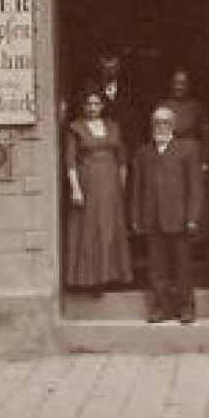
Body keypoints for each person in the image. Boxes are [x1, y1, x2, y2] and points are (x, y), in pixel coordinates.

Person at [130, 106, 204, 324]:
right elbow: (137, 187)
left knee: (182, 266)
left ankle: (186, 308)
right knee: (157, 268)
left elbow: (195, 187)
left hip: (179, 219)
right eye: (156, 122)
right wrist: (135, 216)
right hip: (152, 219)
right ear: (151, 125)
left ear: (172, 125)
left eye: (164, 122)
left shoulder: (187, 149)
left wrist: (192, 217)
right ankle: (160, 308)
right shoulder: (144, 152)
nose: (160, 126)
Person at [64, 89, 133, 294]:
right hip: (88, 185)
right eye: (89, 104)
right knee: (90, 230)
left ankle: (111, 275)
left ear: (102, 106)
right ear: (83, 106)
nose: (93, 108)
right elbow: (70, 161)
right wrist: (75, 188)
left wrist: (122, 184)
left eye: (96, 104)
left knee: (109, 228)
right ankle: (91, 279)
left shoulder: (113, 126)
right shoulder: (75, 128)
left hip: (111, 185)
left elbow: (122, 159)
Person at [156, 68, 209, 172]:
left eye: (182, 83)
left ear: (188, 85)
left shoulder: (196, 107)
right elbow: (156, 135)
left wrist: (205, 160)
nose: (179, 87)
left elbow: (206, 133)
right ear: (171, 84)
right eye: (176, 83)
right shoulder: (163, 106)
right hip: (170, 153)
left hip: (192, 154)